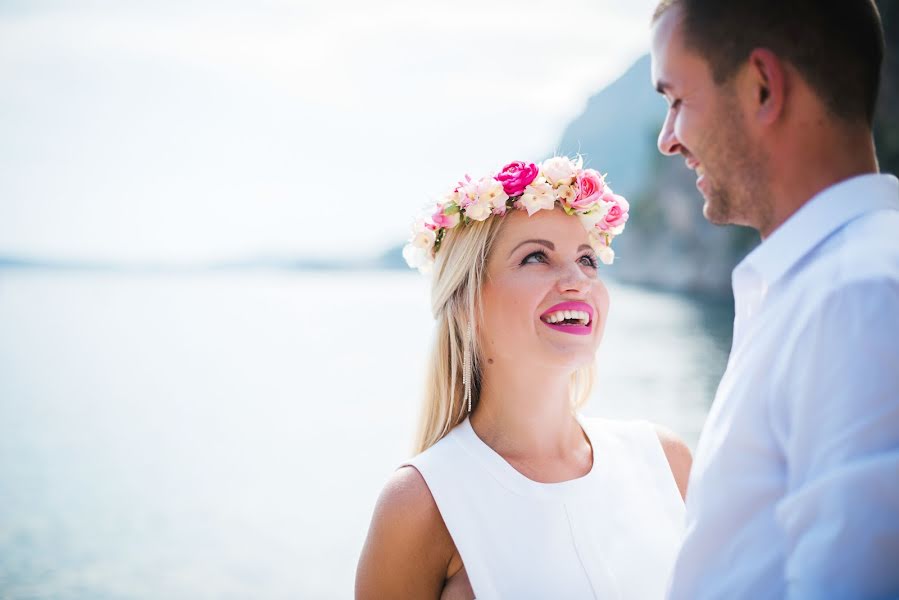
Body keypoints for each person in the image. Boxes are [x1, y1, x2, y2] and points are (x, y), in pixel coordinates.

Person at [649, 1, 899, 598]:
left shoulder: (856, 300)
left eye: (677, 100)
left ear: (762, 87)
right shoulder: (815, 289)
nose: (667, 140)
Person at [355, 157, 692, 598]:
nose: (578, 281)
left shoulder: (664, 460)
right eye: (536, 257)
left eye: (588, 259)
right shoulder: (421, 502)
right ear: (468, 304)